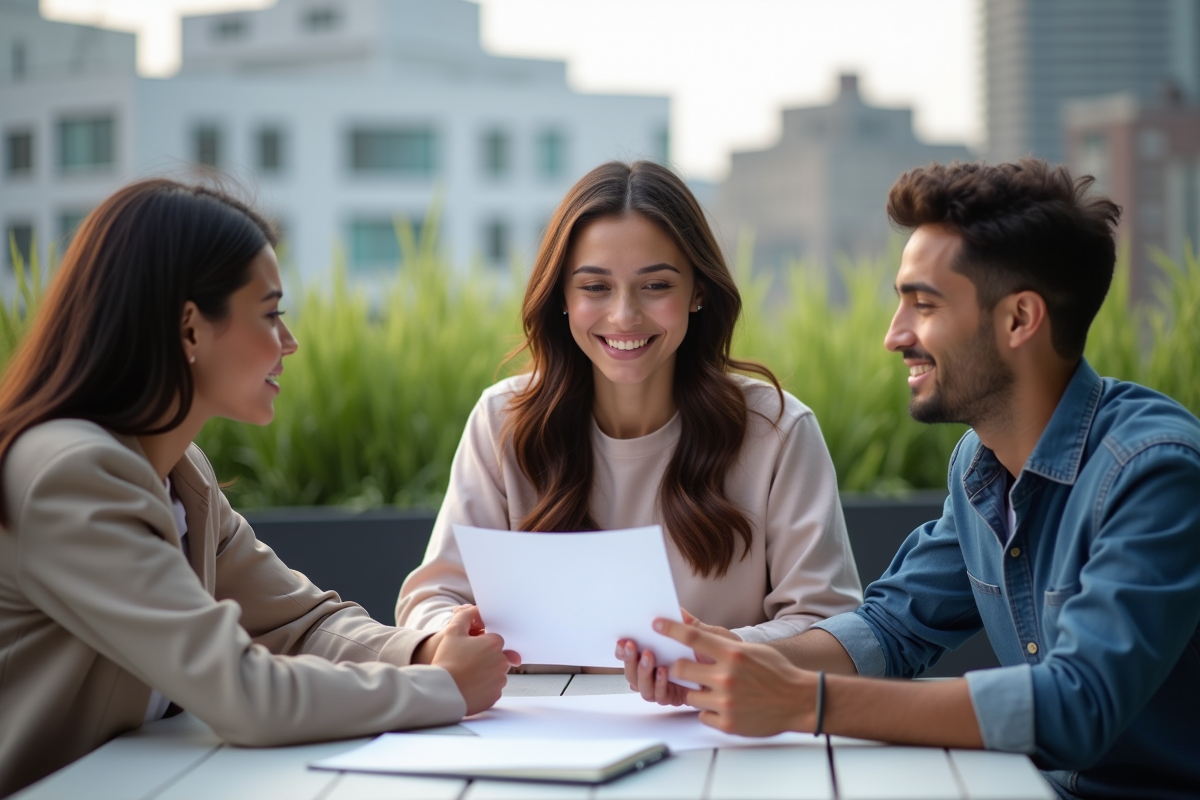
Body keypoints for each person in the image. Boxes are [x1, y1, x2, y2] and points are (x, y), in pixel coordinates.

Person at [647, 159, 1200, 799]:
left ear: (1020, 319)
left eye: (924, 304)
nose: (894, 335)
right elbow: (893, 626)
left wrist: (807, 703)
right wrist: (730, 658)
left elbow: (1079, 705)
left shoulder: (1152, 471)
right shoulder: (979, 465)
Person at [0, 179, 518, 798]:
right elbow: (242, 693)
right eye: (271, 314)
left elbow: (297, 623)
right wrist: (444, 688)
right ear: (190, 328)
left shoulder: (179, 473)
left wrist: (426, 649)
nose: (289, 343)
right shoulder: (72, 476)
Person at [396, 160, 863, 704]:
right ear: (562, 299)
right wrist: (452, 636)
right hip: (536, 735)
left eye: (656, 285)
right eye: (595, 286)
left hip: (713, 734)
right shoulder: (503, 420)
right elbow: (431, 599)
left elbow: (831, 625)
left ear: (698, 292)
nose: (624, 315)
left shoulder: (777, 431)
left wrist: (721, 653)